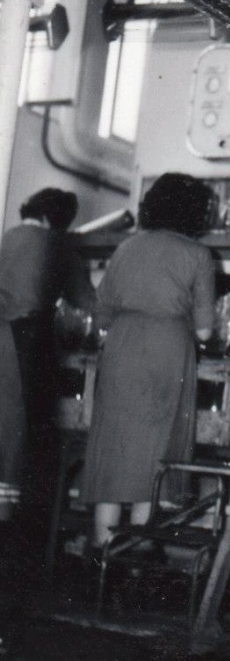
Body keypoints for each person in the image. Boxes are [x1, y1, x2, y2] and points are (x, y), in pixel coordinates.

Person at [81, 173, 216, 550]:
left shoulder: (127, 248)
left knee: (112, 450)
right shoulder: (197, 254)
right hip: (168, 352)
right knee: (156, 452)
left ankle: (101, 557)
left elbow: (102, 313)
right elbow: (205, 331)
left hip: (122, 348)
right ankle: (136, 560)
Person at [0, 188, 95, 541]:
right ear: (57, 220)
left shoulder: (8, 236)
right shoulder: (56, 245)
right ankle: (14, 530)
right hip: (24, 344)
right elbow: (85, 300)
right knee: (20, 438)